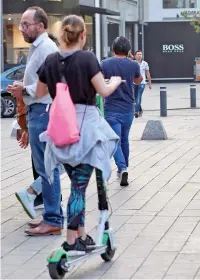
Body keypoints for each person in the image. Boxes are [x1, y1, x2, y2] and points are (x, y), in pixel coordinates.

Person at [37, 15, 121, 251]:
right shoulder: (87, 58)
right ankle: (71, 240)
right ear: (83, 35)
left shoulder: (51, 60)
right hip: (85, 131)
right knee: (78, 188)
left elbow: (41, 92)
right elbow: (103, 91)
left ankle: (82, 235)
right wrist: (114, 81)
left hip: (60, 131)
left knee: (76, 183)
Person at [7, 6, 63, 236]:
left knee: (47, 168)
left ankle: (53, 219)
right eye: (21, 24)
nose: (22, 28)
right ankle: (52, 215)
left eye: (26, 24)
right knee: (46, 167)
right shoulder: (38, 48)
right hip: (38, 110)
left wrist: (24, 90)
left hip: (43, 110)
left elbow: (51, 83)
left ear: (40, 26)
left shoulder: (46, 48)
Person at [101, 37, 143, 186]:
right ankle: (123, 169)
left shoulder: (105, 64)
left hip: (111, 108)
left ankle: (122, 167)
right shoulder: (133, 65)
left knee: (115, 141)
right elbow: (138, 81)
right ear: (129, 50)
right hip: (128, 108)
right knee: (124, 139)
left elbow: (98, 81)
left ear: (113, 49)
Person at [134, 50, 152, 118]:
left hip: (142, 82)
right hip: (134, 82)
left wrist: (150, 83)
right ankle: (140, 109)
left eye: (140, 54)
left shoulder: (145, 63)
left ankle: (136, 111)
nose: (139, 55)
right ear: (135, 55)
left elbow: (148, 73)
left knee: (139, 96)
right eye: (138, 54)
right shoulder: (133, 63)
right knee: (135, 97)